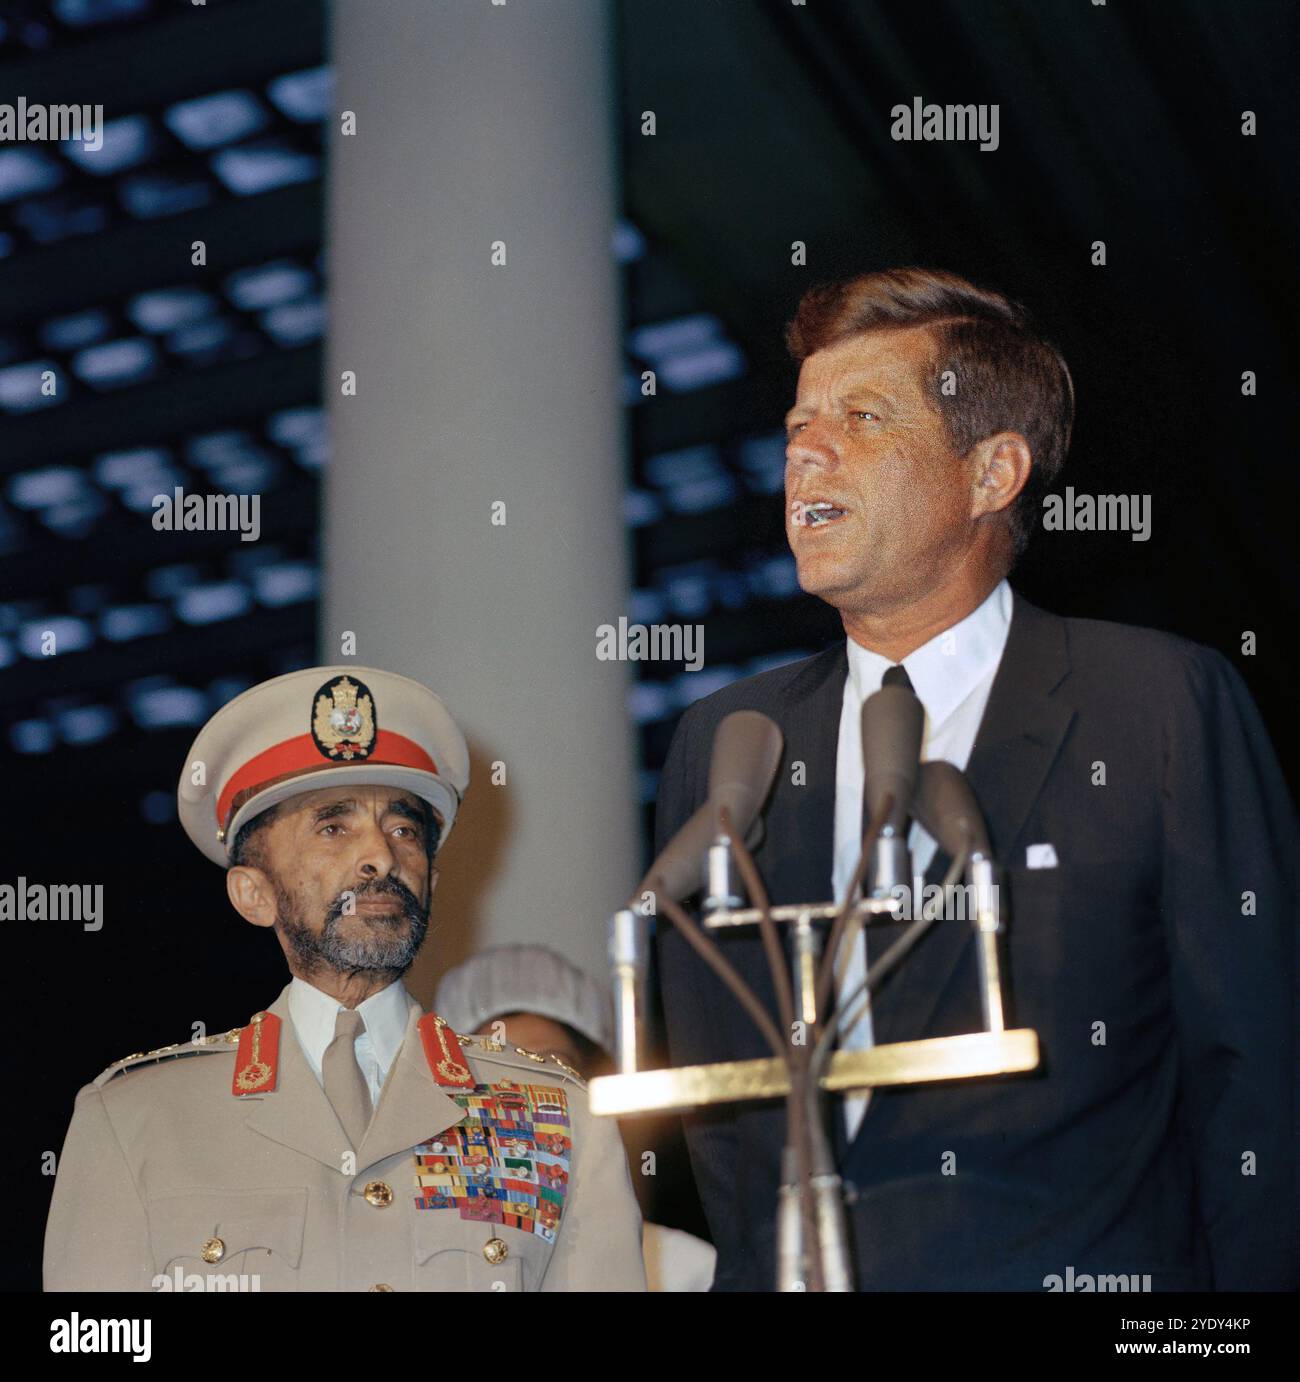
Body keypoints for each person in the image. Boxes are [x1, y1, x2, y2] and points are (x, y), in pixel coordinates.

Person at [654, 267, 1298, 1292]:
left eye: (861, 417)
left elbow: (1259, 1082)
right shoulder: (728, 740)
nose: (803, 451)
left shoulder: (1156, 704)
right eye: (797, 423)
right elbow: (724, 1117)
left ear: (991, 473)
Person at [44, 666, 645, 1292]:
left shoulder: (556, 1116)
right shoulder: (136, 1119)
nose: (381, 856)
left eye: (403, 829)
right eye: (334, 826)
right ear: (253, 894)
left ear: (432, 881)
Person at [435, 943, 717, 1291]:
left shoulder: (683, 1269)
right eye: (496, 1069)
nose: (523, 1098)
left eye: (550, 1069)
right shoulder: (422, 1260)